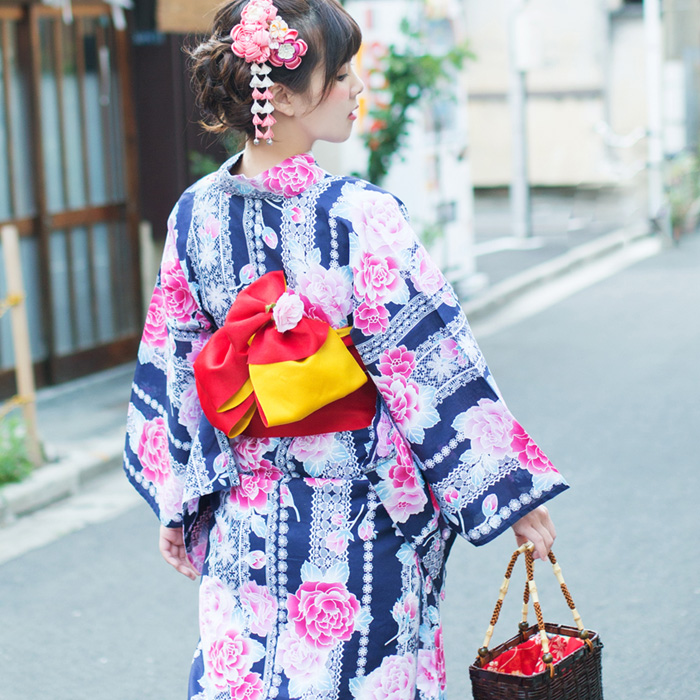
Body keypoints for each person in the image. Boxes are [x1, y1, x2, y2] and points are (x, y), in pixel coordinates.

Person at [123, 0, 567, 698]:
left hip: (247, 522)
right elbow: (425, 360)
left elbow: (175, 366)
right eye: (342, 75)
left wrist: (180, 498)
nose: (359, 87)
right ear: (288, 95)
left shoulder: (194, 215)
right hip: (362, 519)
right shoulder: (361, 217)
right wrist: (506, 491)